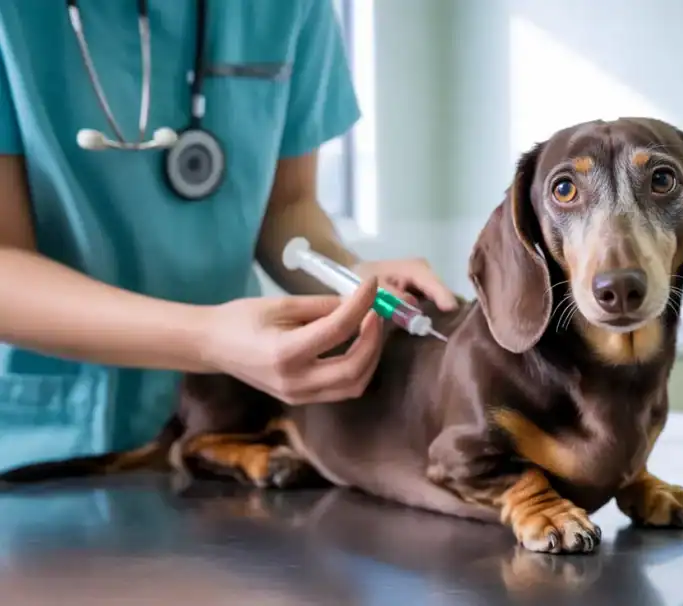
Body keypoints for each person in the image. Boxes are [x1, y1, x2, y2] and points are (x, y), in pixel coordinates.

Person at [0, 0, 458, 473]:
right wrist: (207, 339)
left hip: (224, 428)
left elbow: (288, 208)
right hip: (38, 448)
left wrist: (349, 274)